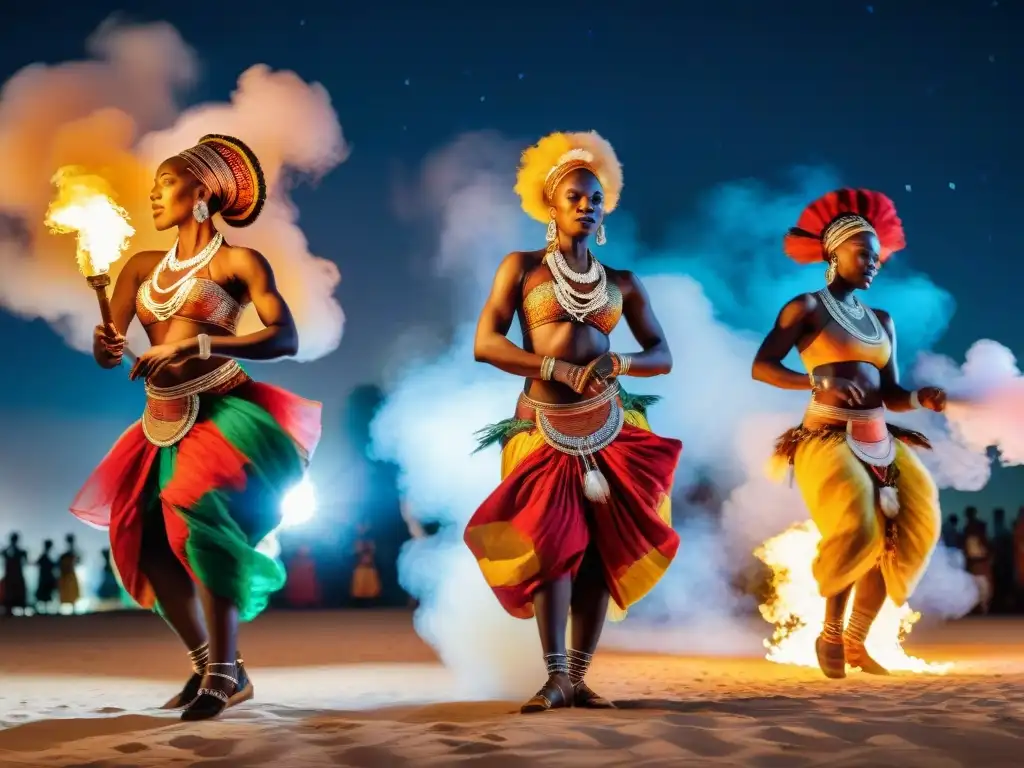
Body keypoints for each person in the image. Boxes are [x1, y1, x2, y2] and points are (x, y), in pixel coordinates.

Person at [69, 134, 322, 721]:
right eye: (154, 186)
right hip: (159, 418)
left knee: (199, 521)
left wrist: (202, 342)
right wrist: (106, 345)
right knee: (145, 540)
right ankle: (211, 663)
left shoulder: (239, 262)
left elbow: (285, 337)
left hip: (225, 412)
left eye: (166, 183)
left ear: (202, 191)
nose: (154, 195)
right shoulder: (139, 267)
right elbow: (110, 354)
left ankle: (224, 673)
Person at [466, 131, 681, 713]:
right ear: (551, 207)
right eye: (575, 198)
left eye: (595, 199)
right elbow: (486, 343)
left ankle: (578, 678)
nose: (587, 206)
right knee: (555, 545)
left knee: (595, 553)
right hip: (542, 426)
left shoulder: (624, 282)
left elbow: (661, 353)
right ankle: (554, 674)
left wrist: (622, 361)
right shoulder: (524, 269)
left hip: (611, 426)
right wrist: (553, 366)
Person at [752, 188, 945, 679]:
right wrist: (814, 379)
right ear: (834, 253)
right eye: (864, 253)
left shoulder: (882, 321)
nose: (873, 263)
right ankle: (830, 633)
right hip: (825, 437)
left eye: (877, 257)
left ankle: (857, 640)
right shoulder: (806, 308)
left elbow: (892, 390)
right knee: (857, 525)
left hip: (880, 435)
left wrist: (921, 398)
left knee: (907, 531)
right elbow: (763, 366)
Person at [2, 533, 27, 616]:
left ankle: (18, 610)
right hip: (11, 575)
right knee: (10, 593)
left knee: (17, 592)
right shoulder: (8, 551)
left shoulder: (18, 551)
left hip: (15, 575)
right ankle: (9, 610)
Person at [57, 534, 81, 612]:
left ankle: (72, 607)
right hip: (67, 574)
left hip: (69, 574)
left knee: (70, 591)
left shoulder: (71, 553)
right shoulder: (69, 553)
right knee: (68, 591)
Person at [35, 539, 58, 613]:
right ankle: (45, 610)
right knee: (45, 593)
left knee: (46, 593)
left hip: (46, 577)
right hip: (46, 577)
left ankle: (45, 609)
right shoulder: (45, 555)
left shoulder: (44, 555)